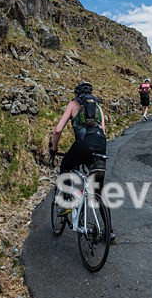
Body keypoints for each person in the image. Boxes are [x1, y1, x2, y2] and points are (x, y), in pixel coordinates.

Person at [49, 81, 115, 243]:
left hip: (83, 143)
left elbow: (58, 130)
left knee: (66, 165)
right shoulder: (98, 107)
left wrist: (54, 148)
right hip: (101, 145)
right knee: (98, 191)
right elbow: (103, 131)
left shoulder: (73, 104)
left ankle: (66, 203)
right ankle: (109, 233)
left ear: (77, 94)